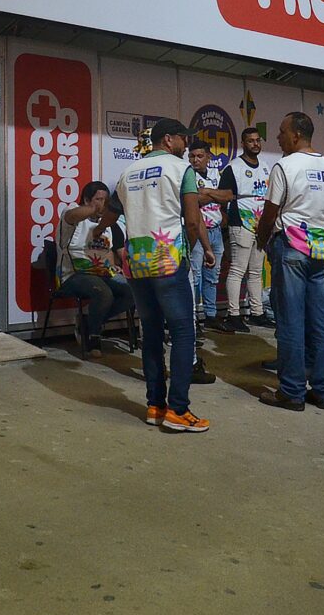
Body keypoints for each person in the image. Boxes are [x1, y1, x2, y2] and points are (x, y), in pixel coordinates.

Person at [97, 118, 215, 432]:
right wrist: (186, 254)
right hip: (168, 261)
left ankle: (154, 405)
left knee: (150, 333)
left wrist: (97, 230)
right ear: (168, 140)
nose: (187, 145)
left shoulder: (127, 172)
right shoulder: (181, 170)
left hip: (135, 263)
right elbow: (192, 221)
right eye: (183, 139)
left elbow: (111, 213)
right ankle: (178, 410)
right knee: (182, 334)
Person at [255, 112, 324, 411]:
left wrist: (261, 239)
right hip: (322, 251)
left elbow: (270, 212)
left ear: (295, 135)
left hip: (291, 247)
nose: (277, 137)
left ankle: (291, 391)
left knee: (291, 320)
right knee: (321, 321)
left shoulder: (285, 166)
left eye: (281, 131)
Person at [57, 181, 135, 357]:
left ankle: (89, 323)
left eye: (106, 201)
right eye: (99, 199)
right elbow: (72, 215)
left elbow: (107, 252)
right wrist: (95, 209)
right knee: (103, 292)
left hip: (101, 274)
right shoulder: (72, 215)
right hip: (73, 275)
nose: (103, 204)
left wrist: (113, 266)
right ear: (86, 199)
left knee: (133, 290)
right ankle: (93, 336)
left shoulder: (107, 225)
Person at [216, 127, 271, 332]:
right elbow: (222, 197)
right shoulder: (234, 167)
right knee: (238, 269)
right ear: (243, 143)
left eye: (257, 140)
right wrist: (225, 219)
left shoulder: (266, 167)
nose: (255, 144)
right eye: (250, 141)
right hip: (241, 221)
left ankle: (257, 312)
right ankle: (234, 314)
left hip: (261, 222)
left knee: (256, 271)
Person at [187, 139, 225, 332]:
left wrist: (208, 192)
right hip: (195, 231)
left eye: (200, 156)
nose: (196, 160)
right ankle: (193, 319)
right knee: (195, 276)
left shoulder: (216, 173)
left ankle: (210, 315)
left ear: (209, 157)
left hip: (216, 230)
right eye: (192, 156)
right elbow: (195, 200)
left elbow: (228, 195)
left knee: (213, 276)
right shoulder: (187, 175)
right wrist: (214, 194)